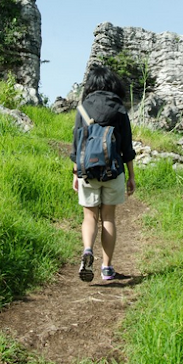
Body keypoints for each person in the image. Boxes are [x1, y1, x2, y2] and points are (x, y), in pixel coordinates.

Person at [70, 65, 136, 282]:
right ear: (112, 84)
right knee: (108, 217)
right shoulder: (118, 109)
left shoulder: (83, 108)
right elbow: (127, 145)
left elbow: (77, 143)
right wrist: (131, 176)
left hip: (87, 170)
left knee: (89, 215)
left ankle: (88, 249)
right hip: (113, 169)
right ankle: (107, 267)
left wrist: (75, 173)